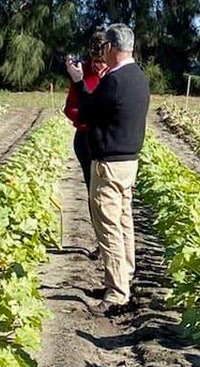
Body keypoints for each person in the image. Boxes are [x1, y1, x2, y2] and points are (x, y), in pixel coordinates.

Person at [66, 23, 150, 316]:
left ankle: (117, 293)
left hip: (109, 165)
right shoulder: (138, 77)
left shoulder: (114, 81)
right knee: (124, 221)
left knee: (109, 228)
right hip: (129, 162)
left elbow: (86, 110)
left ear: (111, 48)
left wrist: (78, 81)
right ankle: (124, 276)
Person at [63, 28, 109, 190]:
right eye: (95, 61)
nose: (99, 66)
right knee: (93, 189)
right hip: (86, 139)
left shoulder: (117, 72)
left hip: (111, 140)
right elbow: (70, 108)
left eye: (103, 61)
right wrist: (88, 121)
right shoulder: (81, 72)